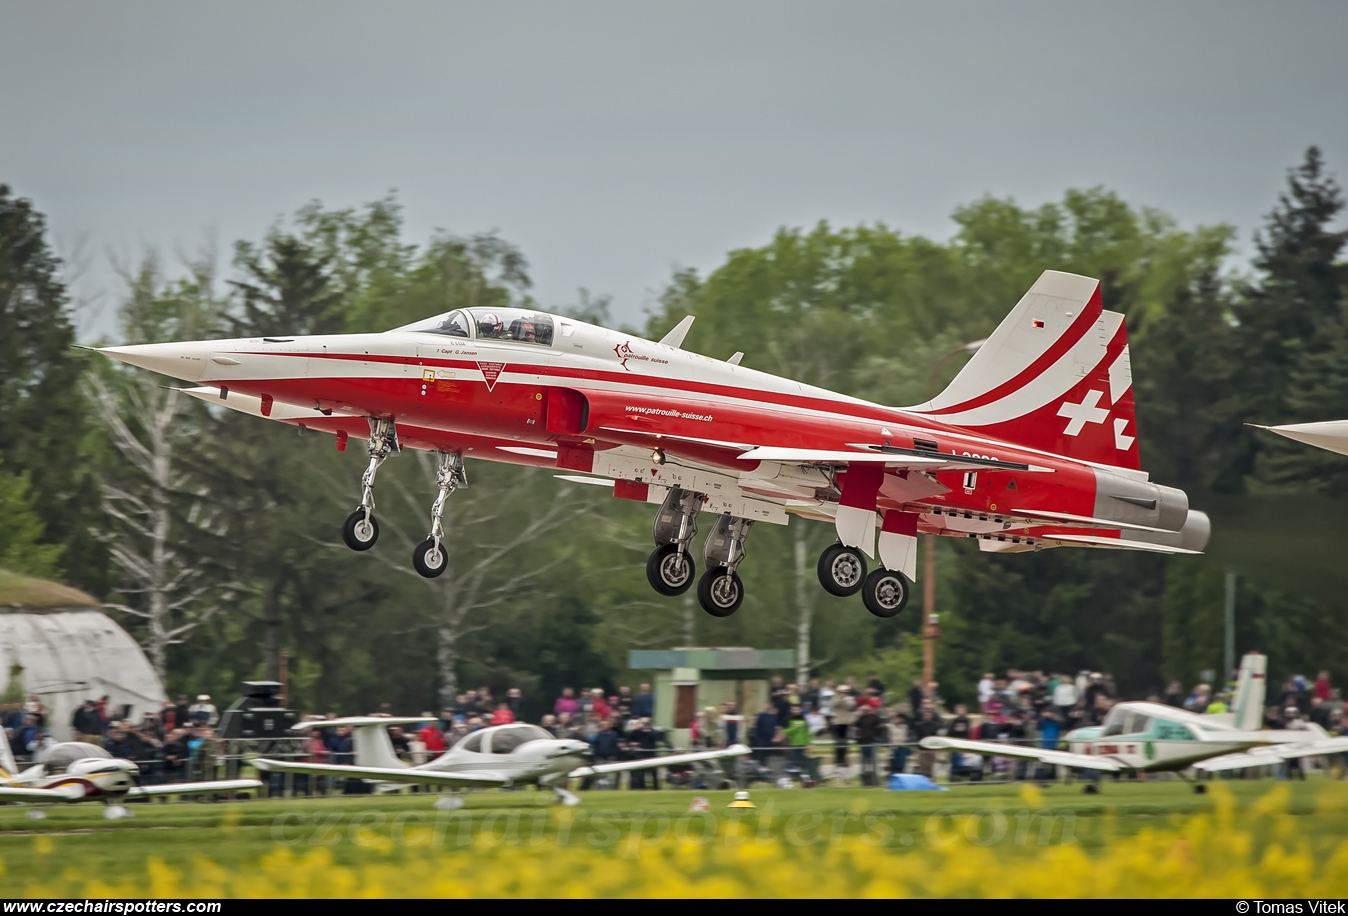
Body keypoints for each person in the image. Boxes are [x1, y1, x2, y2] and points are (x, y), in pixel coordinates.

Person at [854, 702, 882, 786]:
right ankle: (866, 780)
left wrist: (877, 734)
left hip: (871, 742)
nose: (863, 712)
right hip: (863, 742)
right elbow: (855, 725)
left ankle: (874, 779)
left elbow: (880, 725)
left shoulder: (874, 717)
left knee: (873, 762)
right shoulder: (861, 719)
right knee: (865, 762)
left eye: (865, 710)